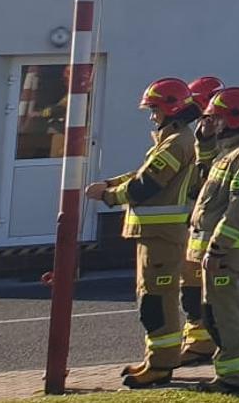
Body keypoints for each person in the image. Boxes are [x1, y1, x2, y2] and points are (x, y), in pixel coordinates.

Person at [86, 78, 199, 388]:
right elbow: (141, 173)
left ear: (170, 109)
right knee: (150, 298)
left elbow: (147, 184)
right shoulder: (171, 139)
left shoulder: (177, 142)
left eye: (154, 110)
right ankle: (155, 359)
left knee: (157, 301)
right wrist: (110, 184)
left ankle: (162, 366)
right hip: (155, 235)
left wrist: (109, 196)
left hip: (162, 235)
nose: (152, 117)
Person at [189, 87, 239, 392]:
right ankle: (227, 376)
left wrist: (219, 247)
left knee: (229, 318)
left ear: (235, 119)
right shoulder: (231, 151)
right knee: (215, 317)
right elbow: (205, 179)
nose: (213, 123)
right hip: (218, 254)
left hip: (227, 255)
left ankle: (236, 380)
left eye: (218, 118)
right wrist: (204, 140)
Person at [175, 75, 225, 367]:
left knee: (197, 291)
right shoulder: (202, 135)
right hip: (195, 221)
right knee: (192, 289)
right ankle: (199, 341)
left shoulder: (221, 139)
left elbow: (207, 173)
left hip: (207, 225)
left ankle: (201, 345)